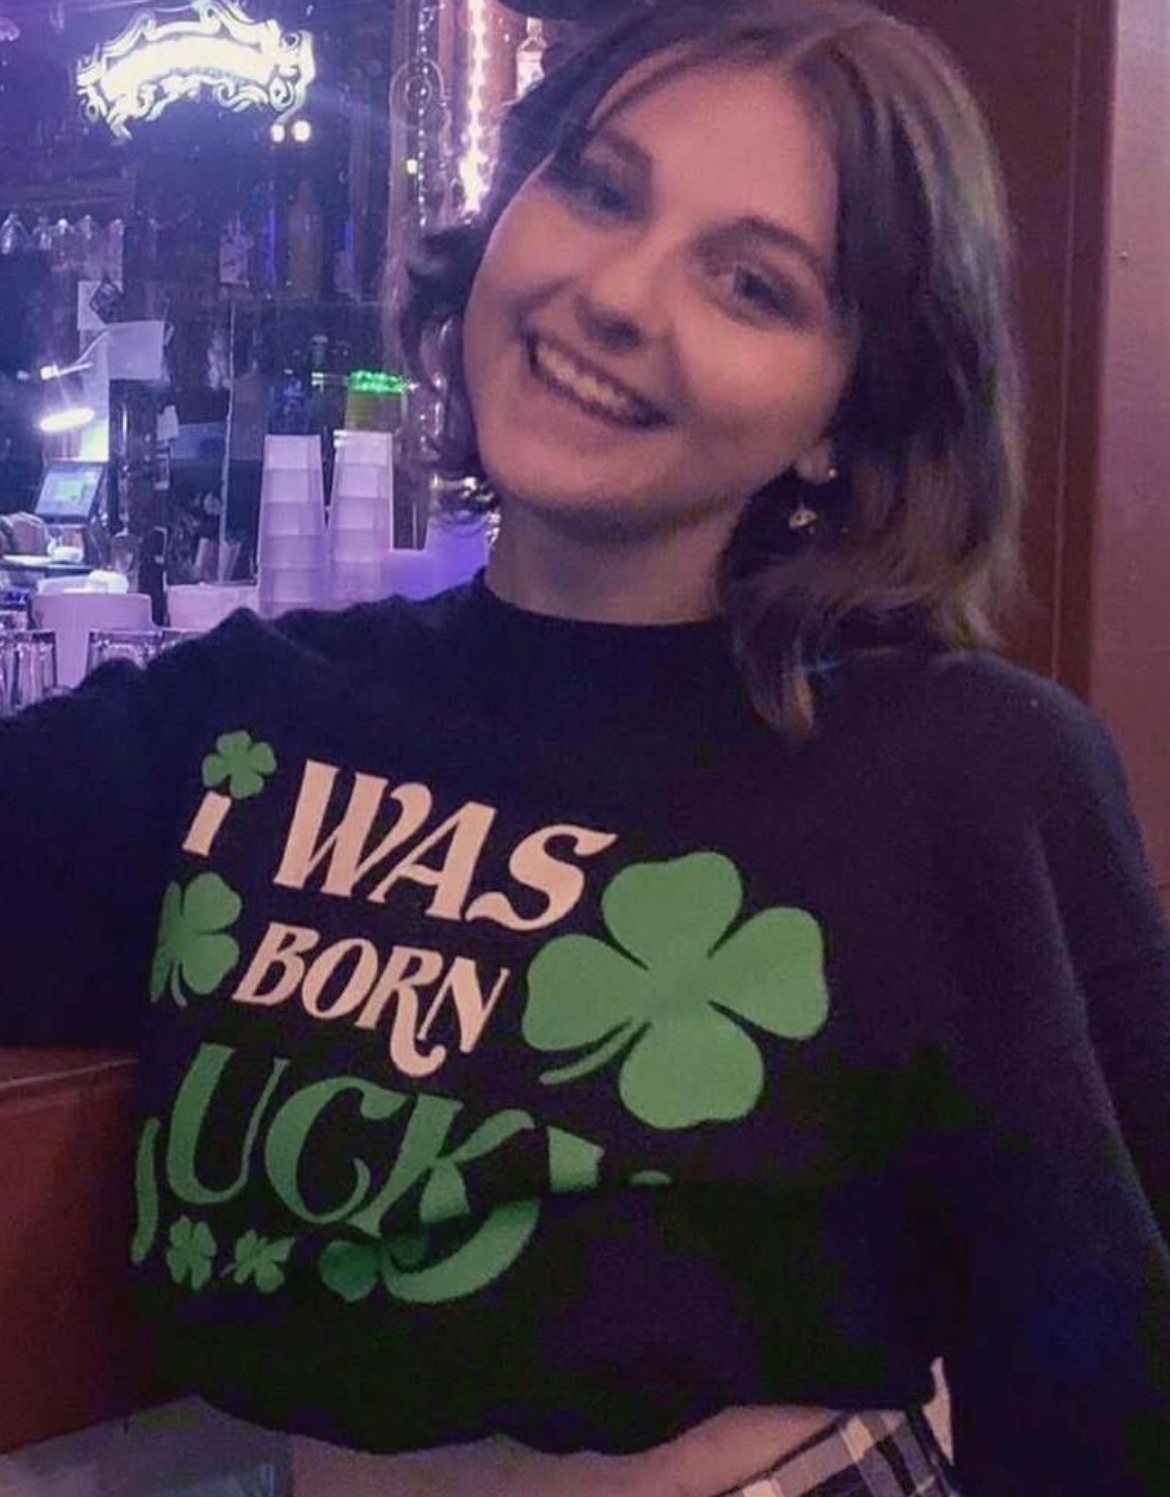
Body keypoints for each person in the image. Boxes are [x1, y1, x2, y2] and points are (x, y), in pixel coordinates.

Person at [3, 2, 1168, 1494]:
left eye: (751, 284)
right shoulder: (249, 718)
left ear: (848, 410)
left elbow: (1107, 1386)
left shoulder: (963, 770)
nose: (617, 294)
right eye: (601, 190)